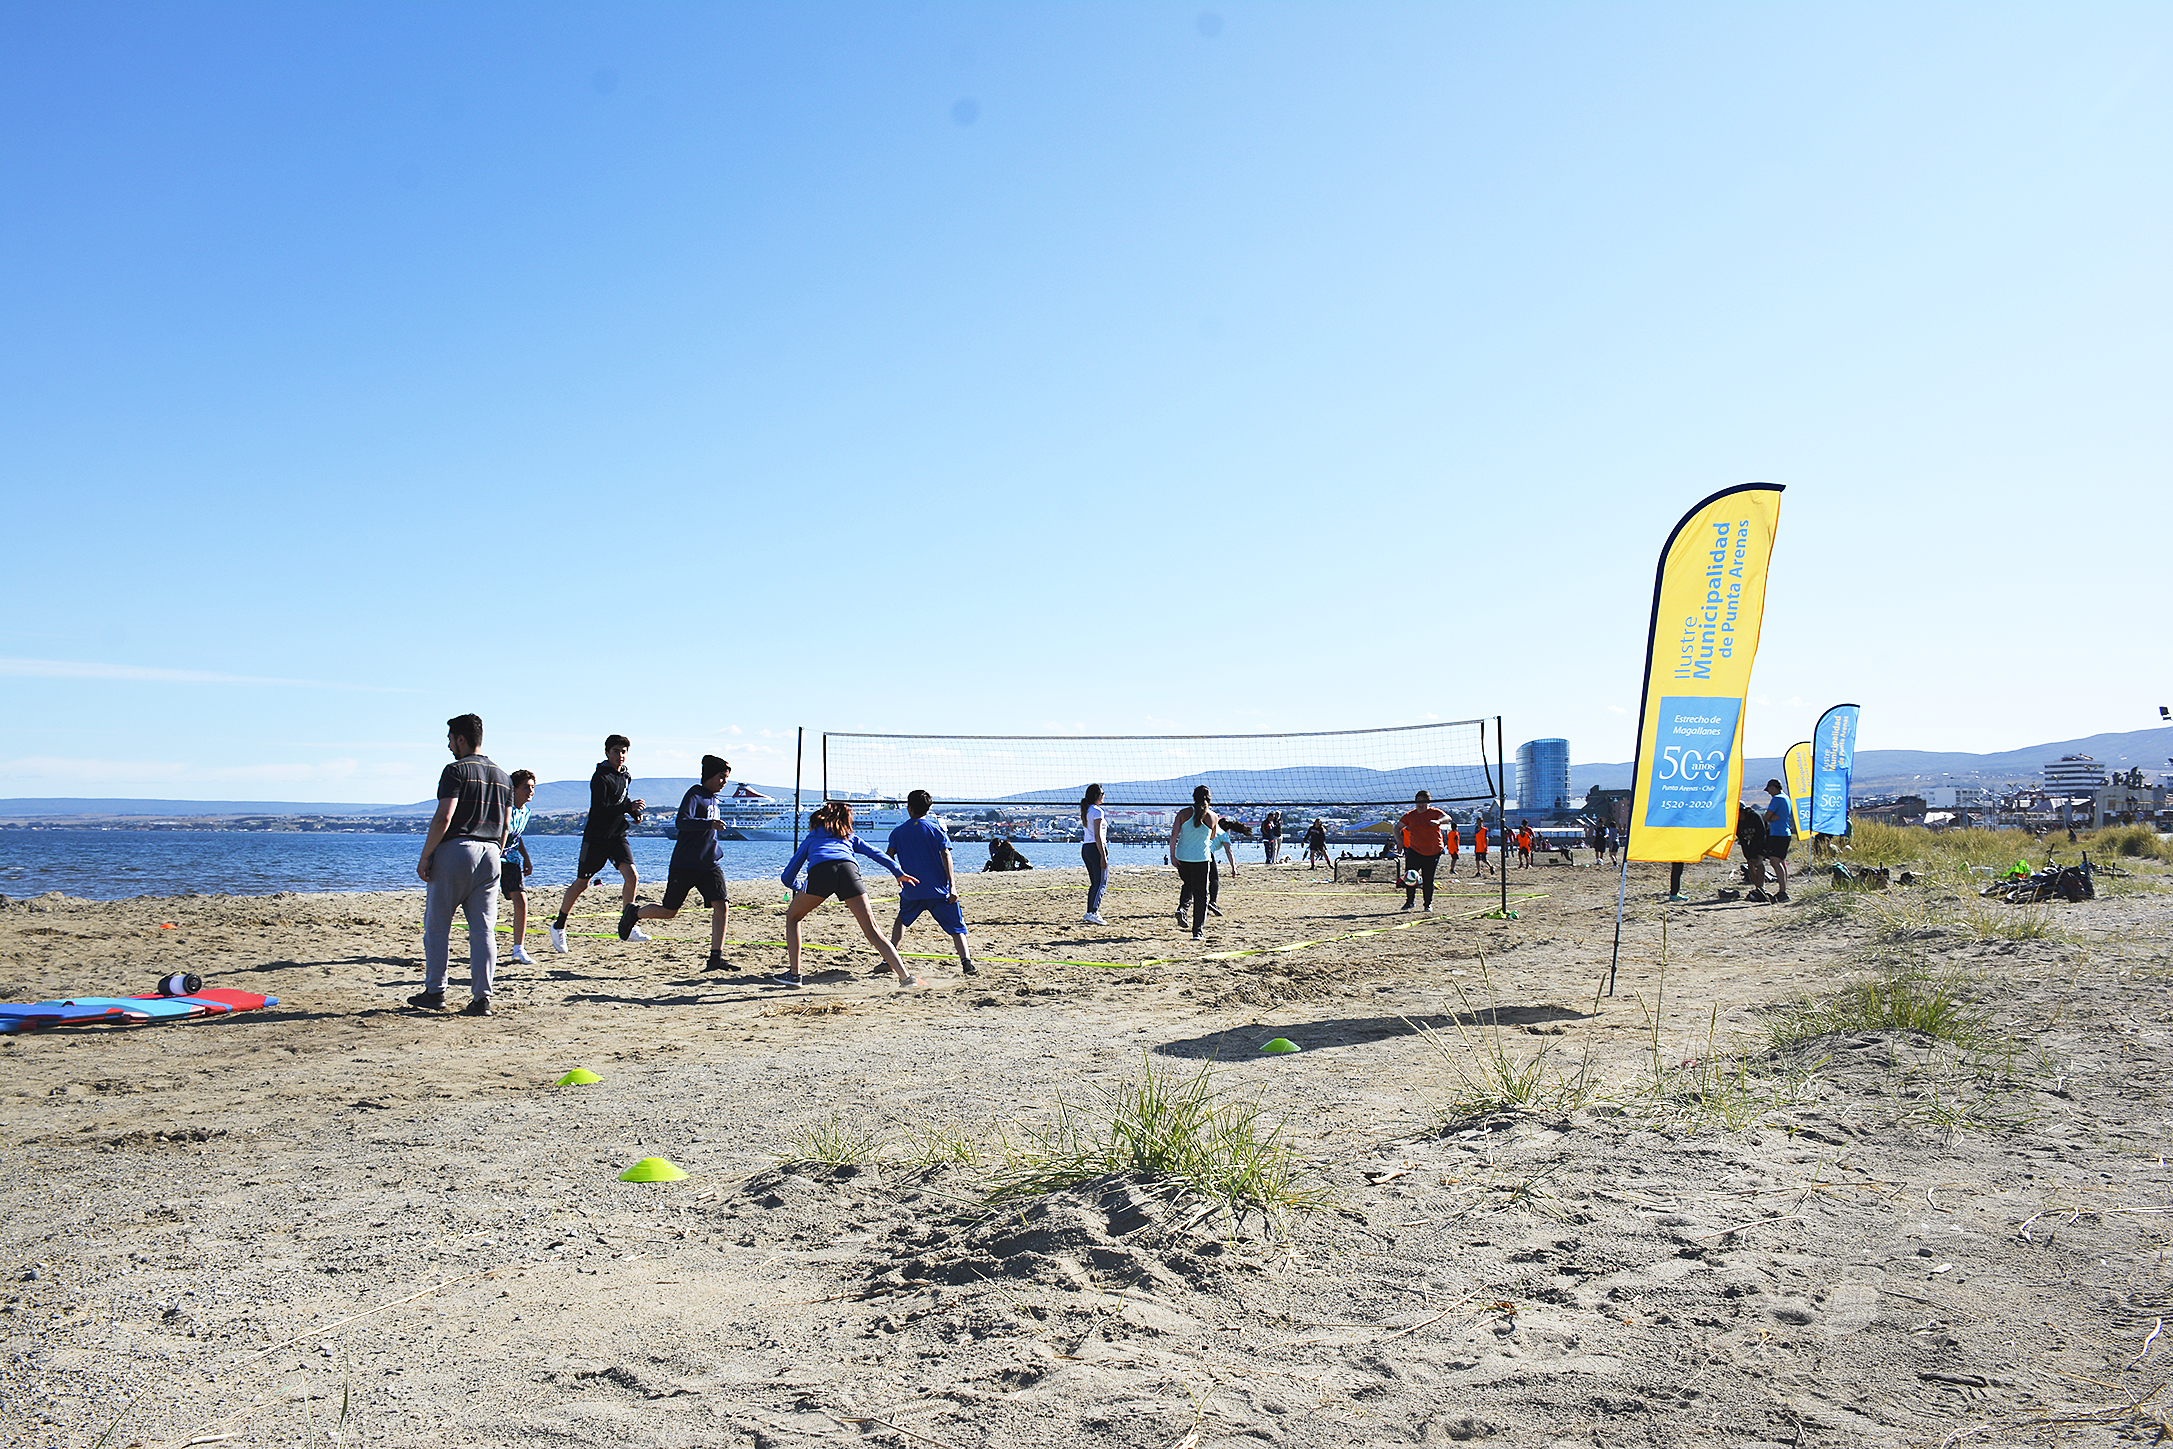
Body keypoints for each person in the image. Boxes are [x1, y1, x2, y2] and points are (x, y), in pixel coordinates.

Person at [412, 714, 512, 1017]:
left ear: (461, 739)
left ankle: (436, 991)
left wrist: (426, 855)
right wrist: (498, 849)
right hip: (492, 851)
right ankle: (482, 998)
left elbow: (444, 816)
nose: (448, 745)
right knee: (484, 929)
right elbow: (506, 824)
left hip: (458, 849)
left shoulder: (456, 770)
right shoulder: (503, 775)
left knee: (437, 925)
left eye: (450, 739)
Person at [776, 801, 924, 989]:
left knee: (793, 917)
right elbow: (876, 853)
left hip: (821, 872)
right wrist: (898, 872)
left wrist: (800, 886)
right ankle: (906, 978)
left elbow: (787, 876)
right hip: (849, 870)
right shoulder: (849, 837)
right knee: (872, 929)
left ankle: (795, 974)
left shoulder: (812, 838)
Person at [623, 756, 733, 968]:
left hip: (710, 863)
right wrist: (709, 823)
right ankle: (634, 913)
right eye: (721, 777)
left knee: (722, 905)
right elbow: (682, 822)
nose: (724, 782)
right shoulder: (695, 794)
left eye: (726, 778)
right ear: (710, 776)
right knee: (669, 911)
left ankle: (715, 957)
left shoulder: (713, 799)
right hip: (685, 863)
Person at [550, 735, 644, 952]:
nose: (620, 755)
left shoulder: (626, 775)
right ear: (606, 753)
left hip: (617, 835)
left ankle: (627, 925)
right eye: (615, 751)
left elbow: (620, 805)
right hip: (596, 838)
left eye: (623, 751)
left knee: (632, 876)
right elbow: (601, 808)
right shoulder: (600, 777)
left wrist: (633, 814)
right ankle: (559, 925)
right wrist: (628, 807)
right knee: (582, 883)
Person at [887, 790, 976, 974]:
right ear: (929, 808)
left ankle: (888, 958)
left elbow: (888, 857)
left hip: (912, 889)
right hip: (938, 890)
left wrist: (898, 875)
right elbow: (946, 855)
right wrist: (952, 886)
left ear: (909, 808)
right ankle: (966, 962)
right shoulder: (936, 829)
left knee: (901, 921)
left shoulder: (898, 832)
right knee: (957, 928)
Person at [1168, 785, 1220, 941]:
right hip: (1201, 858)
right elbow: (1212, 837)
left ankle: (1182, 909)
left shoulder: (1183, 814)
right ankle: (1197, 931)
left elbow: (1173, 836)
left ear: (1193, 797)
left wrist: (1172, 855)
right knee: (1201, 895)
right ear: (1209, 799)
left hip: (1183, 856)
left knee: (1188, 885)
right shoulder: (1213, 817)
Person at [502, 770, 537, 965]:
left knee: (521, 900)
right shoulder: (503, 808)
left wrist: (526, 858)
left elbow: (517, 836)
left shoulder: (526, 812)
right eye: (526, 787)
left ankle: (518, 948)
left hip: (512, 860)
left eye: (532, 787)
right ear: (513, 789)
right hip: (494, 858)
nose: (530, 791)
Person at [1397, 790, 1450, 911]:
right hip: (1415, 850)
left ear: (1428, 803)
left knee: (1428, 878)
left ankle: (1428, 904)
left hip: (1433, 851)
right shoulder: (1410, 815)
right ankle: (1409, 902)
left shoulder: (1435, 812)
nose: (1420, 804)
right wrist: (1399, 841)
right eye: (1418, 802)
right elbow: (1397, 827)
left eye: (1423, 802)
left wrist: (1438, 821)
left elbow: (1447, 818)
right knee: (1410, 877)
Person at [1758, 777, 1796, 903]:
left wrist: (1769, 817)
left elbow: (1767, 817)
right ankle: (1783, 889)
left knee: (1774, 861)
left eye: (1769, 789)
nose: (1768, 792)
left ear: (1773, 787)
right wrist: (1772, 817)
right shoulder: (1786, 798)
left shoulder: (1777, 799)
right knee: (1781, 861)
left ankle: (1782, 891)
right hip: (1785, 833)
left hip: (1777, 834)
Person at [1079, 784, 1111, 924]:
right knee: (1101, 883)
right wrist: (1103, 856)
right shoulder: (1097, 811)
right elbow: (1098, 836)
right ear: (1097, 796)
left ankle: (1090, 912)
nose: (1104, 796)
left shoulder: (1087, 810)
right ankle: (1092, 912)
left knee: (1095, 883)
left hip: (1086, 848)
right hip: (1096, 847)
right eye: (1102, 793)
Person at [1206, 818, 1243, 916]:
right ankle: (1212, 902)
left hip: (1196, 851)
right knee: (1214, 879)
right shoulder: (1224, 834)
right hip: (1207, 854)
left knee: (1199, 880)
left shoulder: (1213, 827)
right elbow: (1229, 851)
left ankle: (1202, 904)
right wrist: (1233, 867)